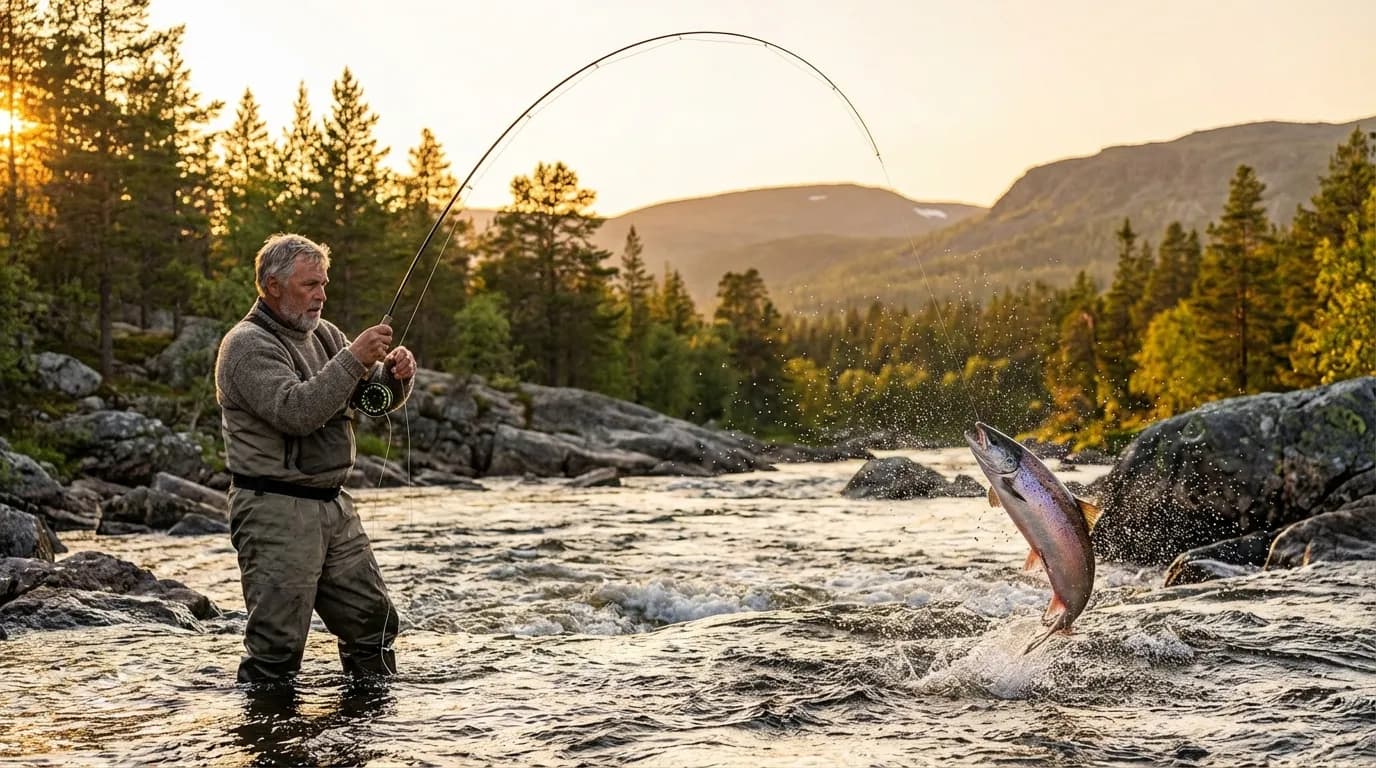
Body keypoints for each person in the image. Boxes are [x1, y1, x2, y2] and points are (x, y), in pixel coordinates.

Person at [214, 233, 415, 684]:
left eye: (324, 284)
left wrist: (395, 377)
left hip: (332, 506)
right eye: (309, 285)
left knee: (373, 627)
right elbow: (296, 411)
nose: (321, 296)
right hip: (274, 509)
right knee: (277, 652)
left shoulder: (325, 334)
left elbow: (371, 400)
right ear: (272, 286)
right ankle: (268, 746)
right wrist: (354, 358)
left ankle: (370, 735)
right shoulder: (245, 345)